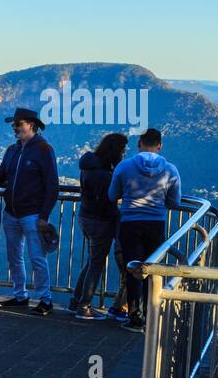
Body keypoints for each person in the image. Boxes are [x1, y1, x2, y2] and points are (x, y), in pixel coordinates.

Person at [109, 128, 181, 334]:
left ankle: (135, 317)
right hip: (156, 223)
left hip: (130, 222)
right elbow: (175, 201)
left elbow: (112, 194)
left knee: (134, 269)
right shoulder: (170, 170)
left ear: (139, 143)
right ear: (160, 146)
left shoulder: (125, 166)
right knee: (153, 269)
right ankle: (152, 316)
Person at [0, 107, 59, 315]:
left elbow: (52, 185)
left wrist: (44, 216)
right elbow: (1, 176)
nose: (14, 128)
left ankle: (45, 299)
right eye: (14, 125)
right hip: (11, 212)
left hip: (32, 214)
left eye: (18, 124)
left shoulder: (44, 150)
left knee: (37, 257)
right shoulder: (12, 150)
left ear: (31, 125)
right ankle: (20, 295)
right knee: (14, 257)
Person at [71, 133, 129, 322]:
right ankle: (84, 306)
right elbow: (108, 200)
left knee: (92, 261)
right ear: (115, 151)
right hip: (100, 221)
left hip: (85, 217)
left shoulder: (88, 166)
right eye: (122, 150)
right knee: (96, 264)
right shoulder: (104, 174)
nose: (123, 154)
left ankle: (76, 301)